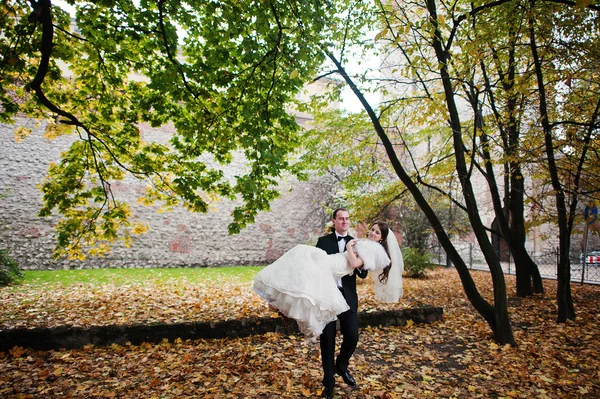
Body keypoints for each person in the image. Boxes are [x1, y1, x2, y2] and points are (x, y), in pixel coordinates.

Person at [253, 208, 402, 399]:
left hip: (347, 297)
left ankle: (342, 364)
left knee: (352, 336)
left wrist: (354, 251)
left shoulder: (357, 242)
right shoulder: (324, 242)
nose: (345, 222)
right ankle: (328, 383)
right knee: (327, 340)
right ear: (334, 221)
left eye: (347, 219)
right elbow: (315, 269)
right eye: (341, 219)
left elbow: (362, 272)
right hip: (325, 295)